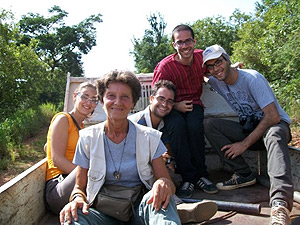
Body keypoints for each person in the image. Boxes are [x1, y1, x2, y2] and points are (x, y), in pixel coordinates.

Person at [59, 70, 181, 225]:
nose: (117, 102)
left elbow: (168, 183)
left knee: (163, 200)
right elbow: (79, 188)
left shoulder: (149, 137)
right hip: (102, 214)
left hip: (140, 212)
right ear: (102, 100)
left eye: (125, 97)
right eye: (111, 96)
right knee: (73, 215)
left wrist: (163, 184)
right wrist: (77, 199)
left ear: (133, 103)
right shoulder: (87, 138)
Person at [202, 44, 294, 225]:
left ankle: (280, 205)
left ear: (227, 60)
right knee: (209, 124)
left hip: (274, 126)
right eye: (210, 66)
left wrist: (243, 144)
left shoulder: (252, 79)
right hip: (250, 130)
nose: (215, 69)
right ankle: (244, 174)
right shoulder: (215, 80)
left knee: (274, 135)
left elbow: (273, 116)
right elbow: (200, 74)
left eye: (218, 62)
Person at [129, 80, 218, 224]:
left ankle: (173, 208)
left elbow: (166, 151)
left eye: (170, 101)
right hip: (134, 176)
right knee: (162, 182)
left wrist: (168, 160)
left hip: (153, 172)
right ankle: (177, 207)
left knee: (175, 178)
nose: (165, 105)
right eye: (161, 99)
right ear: (151, 99)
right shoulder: (136, 124)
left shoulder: (167, 124)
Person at [152, 24, 218, 198]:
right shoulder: (165, 67)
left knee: (195, 127)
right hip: (171, 106)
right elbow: (157, 97)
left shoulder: (201, 57)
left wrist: (232, 68)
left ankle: (201, 176)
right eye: (180, 42)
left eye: (188, 41)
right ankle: (187, 178)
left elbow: (215, 68)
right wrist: (175, 105)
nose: (185, 46)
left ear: (194, 41)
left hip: (194, 103)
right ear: (174, 45)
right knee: (177, 127)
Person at [45, 82, 99, 215]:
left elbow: (47, 147)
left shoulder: (82, 127)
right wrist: (88, 176)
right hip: (59, 187)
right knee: (98, 170)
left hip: (75, 186)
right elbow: (57, 159)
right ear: (75, 96)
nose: (88, 102)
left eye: (93, 99)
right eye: (85, 97)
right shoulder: (63, 119)